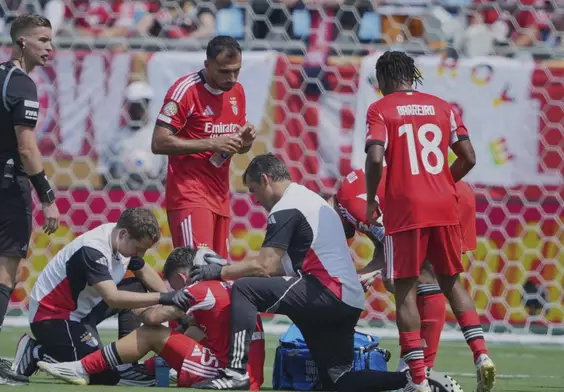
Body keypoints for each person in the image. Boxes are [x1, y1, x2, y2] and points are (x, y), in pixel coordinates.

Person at [187, 153, 416, 392]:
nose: (255, 200)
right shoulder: (308, 199)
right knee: (338, 381)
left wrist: (221, 271)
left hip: (327, 292)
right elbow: (274, 269)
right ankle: (413, 382)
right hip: (348, 301)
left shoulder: (287, 206)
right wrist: (227, 268)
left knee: (245, 290)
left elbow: (265, 266)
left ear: (266, 179)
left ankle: (235, 374)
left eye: (254, 190)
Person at [363, 51, 495, 392]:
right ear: (412, 76)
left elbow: (375, 155)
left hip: (405, 208)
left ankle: (419, 382)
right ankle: (481, 354)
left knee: (405, 290)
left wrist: (372, 196)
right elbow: (469, 157)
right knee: (451, 282)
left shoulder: (381, 108)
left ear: (383, 80)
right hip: (444, 204)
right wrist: (441, 183)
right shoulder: (442, 106)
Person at [0, 14, 60, 385]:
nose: (49, 46)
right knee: (3, 274)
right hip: (8, 185)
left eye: (51, 39)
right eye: (42, 39)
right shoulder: (22, 85)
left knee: (3, 271)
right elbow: (27, 147)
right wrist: (47, 196)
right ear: (22, 42)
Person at [34, 246, 266, 389]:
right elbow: (198, 333)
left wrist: (134, 303)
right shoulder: (231, 285)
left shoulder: (200, 290)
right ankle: (145, 370)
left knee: (151, 333)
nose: (176, 291)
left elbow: (153, 318)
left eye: (174, 286)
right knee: (189, 328)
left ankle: (82, 368)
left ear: (184, 278)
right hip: (251, 376)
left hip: (225, 375)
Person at [10, 208, 193, 385]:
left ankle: (127, 364)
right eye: (138, 248)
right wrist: (163, 298)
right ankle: (36, 352)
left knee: (137, 286)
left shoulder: (122, 238)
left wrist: (173, 300)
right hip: (52, 316)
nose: (140, 254)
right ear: (123, 234)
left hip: (82, 312)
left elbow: (144, 272)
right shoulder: (94, 249)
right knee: (102, 374)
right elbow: (112, 297)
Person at [332, 167, 478, 372]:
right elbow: (385, 246)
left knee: (422, 279)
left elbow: (394, 247)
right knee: (412, 280)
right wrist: (369, 270)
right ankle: (418, 363)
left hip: (449, 201)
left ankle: (418, 368)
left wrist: (368, 272)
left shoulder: (353, 209)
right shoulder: (348, 198)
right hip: (449, 193)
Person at [151, 35, 256, 258]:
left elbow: (238, 148)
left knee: (217, 274)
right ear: (207, 65)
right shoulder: (185, 91)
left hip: (220, 197)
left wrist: (246, 142)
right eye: (224, 71)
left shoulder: (237, 92)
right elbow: (158, 142)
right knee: (197, 271)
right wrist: (211, 143)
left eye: (237, 70)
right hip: (189, 194)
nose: (232, 78)